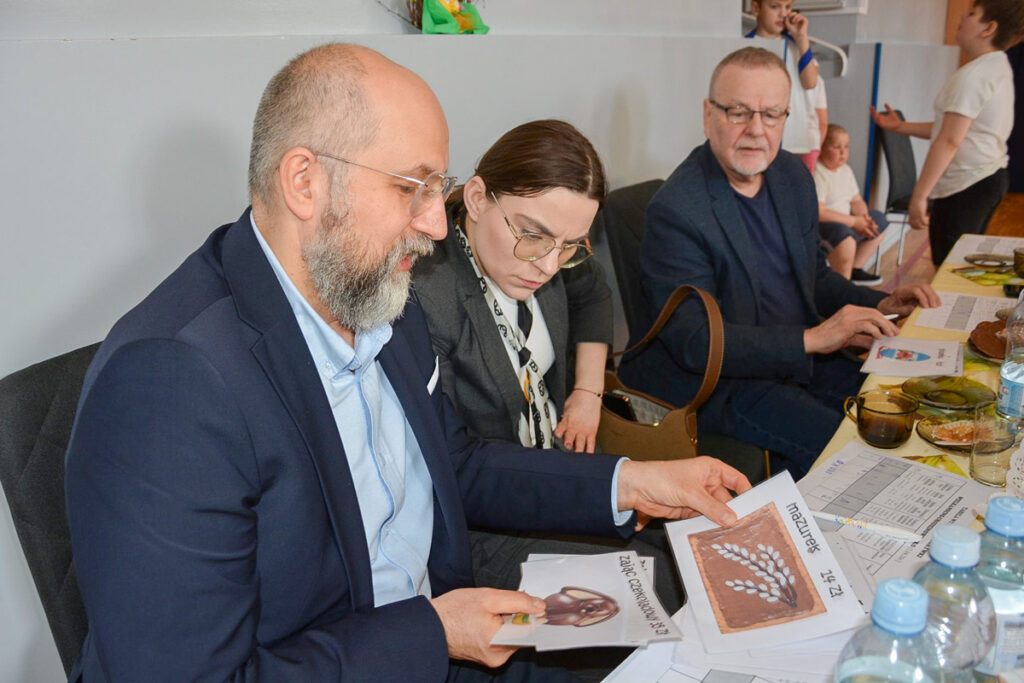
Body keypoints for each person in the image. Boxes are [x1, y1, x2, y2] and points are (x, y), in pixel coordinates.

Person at [63, 43, 751, 682]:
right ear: (305, 182)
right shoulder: (170, 384)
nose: (435, 223)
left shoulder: (375, 296)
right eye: (410, 188)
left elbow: (458, 463)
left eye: (437, 187)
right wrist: (433, 633)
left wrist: (632, 481)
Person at [618, 47, 939, 478]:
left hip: (795, 359)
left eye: (771, 114)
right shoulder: (677, 210)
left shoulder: (791, 176)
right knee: (850, 457)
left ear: (786, 118)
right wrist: (813, 339)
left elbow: (813, 277)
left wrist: (880, 302)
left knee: (905, 405)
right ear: (708, 115)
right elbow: (697, 343)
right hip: (723, 383)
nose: (756, 130)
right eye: (738, 112)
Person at [413, 120, 684, 614]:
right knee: (662, 585)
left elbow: (593, 290)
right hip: (488, 524)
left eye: (571, 244)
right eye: (534, 236)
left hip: (558, 468)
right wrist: (611, 488)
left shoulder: (551, 251)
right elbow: (462, 471)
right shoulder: (430, 294)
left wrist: (587, 393)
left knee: (685, 548)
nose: (549, 265)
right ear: (477, 199)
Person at [871, 0, 1024, 266]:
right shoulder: (997, 67)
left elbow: (950, 139)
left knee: (949, 267)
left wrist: (920, 195)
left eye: (972, 14)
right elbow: (955, 129)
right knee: (960, 266)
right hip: (987, 179)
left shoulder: (974, 75)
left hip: (968, 185)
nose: (963, 18)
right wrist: (901, 127)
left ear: (988, 28)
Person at [746, 0, 821, 171]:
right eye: (775, 7)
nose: (783, 14)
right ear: (756, 8)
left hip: (791, 135)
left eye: (788, 7)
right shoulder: (746, 45)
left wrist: (801, 38)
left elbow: (810, 82)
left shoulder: (796, 46)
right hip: (758, 134)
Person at [814, 124, 889, 285]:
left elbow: (856, 200)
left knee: (879, 221)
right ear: (822, 148)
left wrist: (865, 218)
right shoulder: (818, 172)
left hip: (848, 221)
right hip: (826, 226)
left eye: (846, 147)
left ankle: (855, 268)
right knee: (845, 236)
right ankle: (843, 283)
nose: (843, 152)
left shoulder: (846, 170)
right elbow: (819, 212)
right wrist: (854, 222)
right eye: (837, 147)